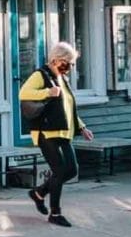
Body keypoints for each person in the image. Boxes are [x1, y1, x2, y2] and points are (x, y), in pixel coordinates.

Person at [18, 42, 91, 226]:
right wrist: (47, 92)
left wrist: (81, 127)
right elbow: (23, 93)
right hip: (46, 131)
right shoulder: (41, 75)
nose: (70, 67)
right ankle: (55, 213)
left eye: (72, 64)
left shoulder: (62, 79)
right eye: (68, 63)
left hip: (63, 131)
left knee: (71, 169)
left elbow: (68, 107)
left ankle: (39, 193)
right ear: (55, 60)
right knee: (59, 171)